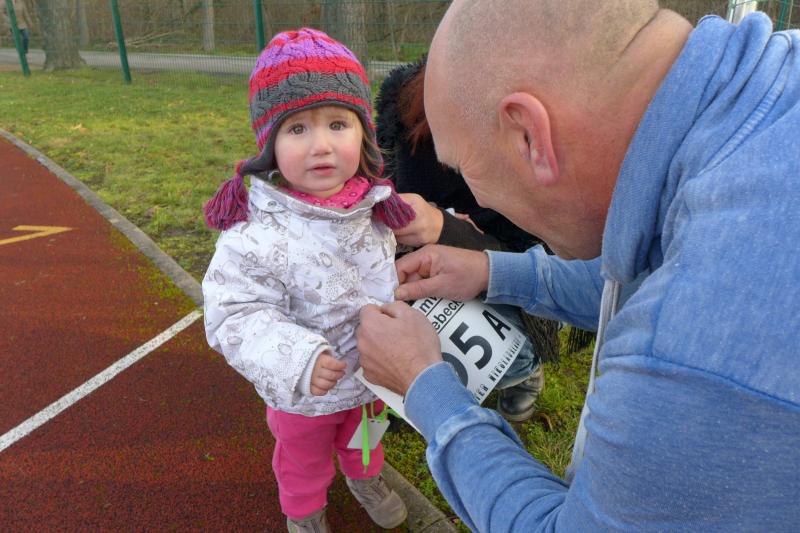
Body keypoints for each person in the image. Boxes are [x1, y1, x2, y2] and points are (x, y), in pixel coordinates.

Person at [357, 1, 800, 531]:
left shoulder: (691, 349)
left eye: (465, 168)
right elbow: (646, 274)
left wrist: (427, 388)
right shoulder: (765, 95)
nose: (475, 196)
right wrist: (493, 271)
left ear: (528, 136)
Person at [201, 28, 412, 533]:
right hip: (304, 394)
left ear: (363, 134)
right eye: (297, 129)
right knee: (303, 461)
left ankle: (366, 479)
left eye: (338, 124)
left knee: (366, 441)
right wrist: (297, 360)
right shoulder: (254, 233)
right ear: (269, 145)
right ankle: (304, 513)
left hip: (373, 378)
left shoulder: (375, 209)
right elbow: (233, 315)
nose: (321, 145)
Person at [375, 57, 561, 422]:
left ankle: (522, 367)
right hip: (416, 260)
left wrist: (446, 229)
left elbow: (549, 269)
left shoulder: (546, 139)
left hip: (501, 267)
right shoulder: (405, 107)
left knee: (517, 315)